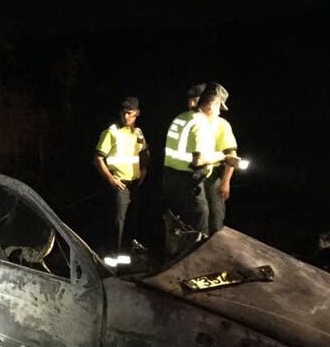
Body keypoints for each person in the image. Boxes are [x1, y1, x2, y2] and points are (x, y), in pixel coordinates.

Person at [161, 85, 236, 234]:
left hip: (171, 176)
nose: (219, 113)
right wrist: (223, 157)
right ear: (213, 105)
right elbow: (198, 160)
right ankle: (200, 253)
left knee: (195, 220)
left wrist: (225, 181)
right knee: (200, 224)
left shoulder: (181, 117)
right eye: (219, 108)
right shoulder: (201, 123)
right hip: (190, 178)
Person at [94, 96, 148, 261]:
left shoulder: (137, 132)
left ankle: (126, 257)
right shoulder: (111, 132)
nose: (126, 117)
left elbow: (145, 152)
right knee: (117, 222)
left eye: (130, 113)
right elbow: (97, 158)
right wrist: (111, 179)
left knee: (131, 220)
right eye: (124, 113)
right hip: (120, 183)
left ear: (137, 113)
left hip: (134, 183)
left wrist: (144, 170)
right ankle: (112, 256)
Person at [187, 82, 239, 234]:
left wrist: (225, 182)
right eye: (189, 99)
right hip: (191, 176)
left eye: (195, 99)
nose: (191, 103)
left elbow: (232, 156)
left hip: (213, 177)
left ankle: (216, 253)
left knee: (215, 219)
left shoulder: (221, 124)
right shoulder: (189, 121)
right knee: (196, 219)